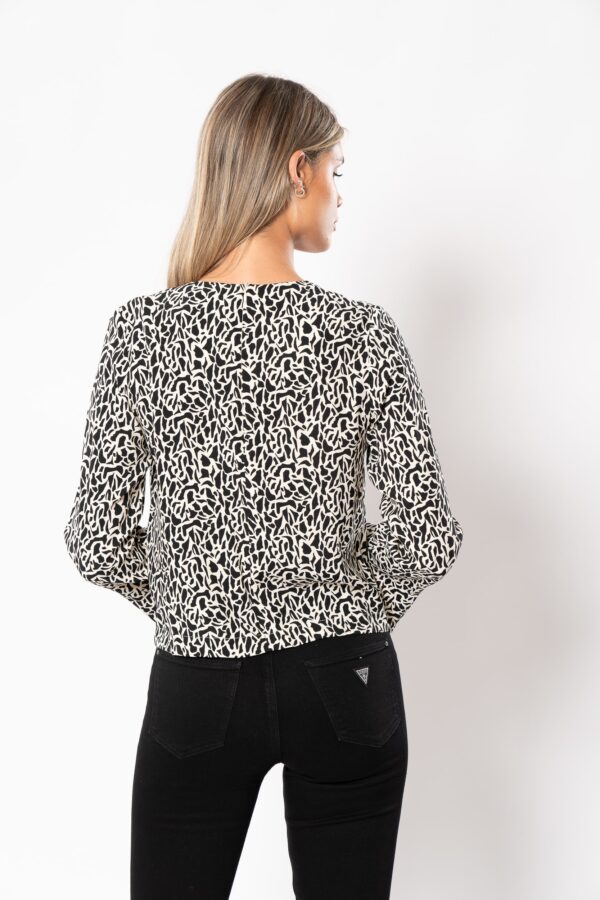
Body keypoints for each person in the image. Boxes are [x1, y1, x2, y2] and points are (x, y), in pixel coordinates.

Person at [63, 73, 464, 900]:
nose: (340, 194)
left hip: (199, 684)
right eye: (335, 170)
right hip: (346, 682)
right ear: (294, 169)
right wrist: (350, 608)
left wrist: (194, 600)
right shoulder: (363, 334)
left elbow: (96, 542)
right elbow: (428, 538)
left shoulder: (143, 334)